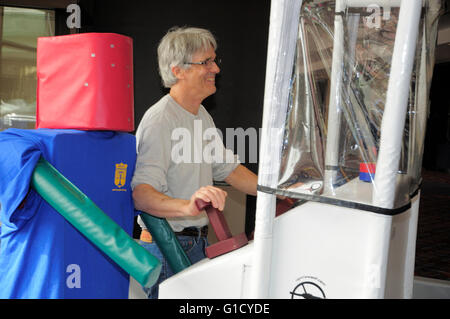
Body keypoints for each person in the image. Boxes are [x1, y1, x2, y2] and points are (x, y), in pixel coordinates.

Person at [131, 26, 258, 299]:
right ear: (178, 71)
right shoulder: (160, 120)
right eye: (206, 62)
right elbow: (141, 194)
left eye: (214, 60)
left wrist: (279, 189)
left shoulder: (201, 116)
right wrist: (188, 206)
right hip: (166, 247)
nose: (216, 69)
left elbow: (230, 170)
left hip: (195, 244)